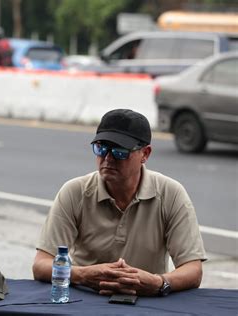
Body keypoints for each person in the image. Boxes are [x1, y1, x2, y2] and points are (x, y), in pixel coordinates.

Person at [32, 109, 206, 297]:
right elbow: (41, 264)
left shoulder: (170, 194)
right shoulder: (75, 192)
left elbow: (193, 269)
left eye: (119, 151)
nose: (108, 159)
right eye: (101, 148)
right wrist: (82, 274)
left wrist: (158, 282)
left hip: (147, 301)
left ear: (145, 154)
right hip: (84, 298)